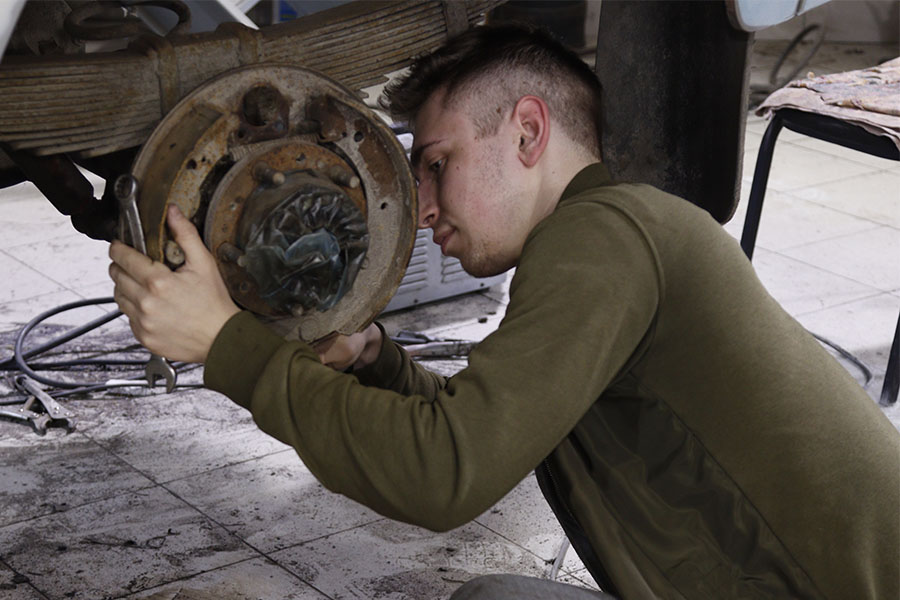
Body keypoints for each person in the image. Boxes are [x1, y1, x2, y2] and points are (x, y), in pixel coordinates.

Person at [109, 25, 899, 600]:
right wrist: (377, 363)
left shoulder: (606, 235)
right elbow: (487, 428)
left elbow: (444, 474)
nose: (421, 208)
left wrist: (228, 344)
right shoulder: (615, 236)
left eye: (437, 164)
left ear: (527, 132)